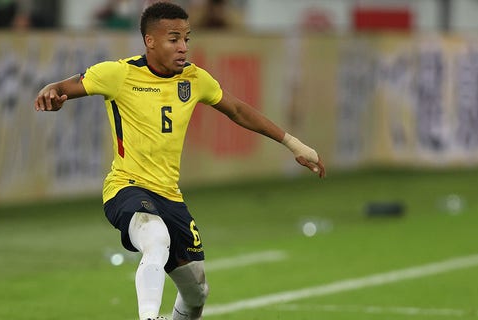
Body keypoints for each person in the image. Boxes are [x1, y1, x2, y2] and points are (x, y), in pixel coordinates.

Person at [34, 2, 325, 320]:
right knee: (155, 237)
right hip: (126, 188)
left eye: (187, 38)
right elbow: (60, 88)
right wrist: (52, 94)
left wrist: (294, 144)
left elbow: (238, 110)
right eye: (174, 39)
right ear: (150, 41)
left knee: (196, 293)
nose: (183, 47)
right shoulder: (118, 74)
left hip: (170, 197)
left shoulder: (194, 79)